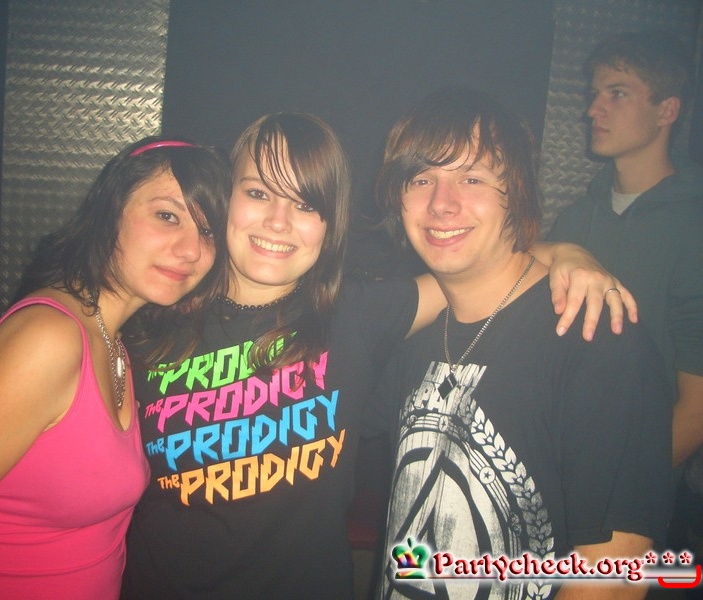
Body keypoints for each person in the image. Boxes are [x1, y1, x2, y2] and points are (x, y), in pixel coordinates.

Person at [121, 112, 637, 600]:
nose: (278, 221)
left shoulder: (359, 315)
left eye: (306, 204)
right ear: (224, 199)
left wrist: (566, 253)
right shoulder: (149, 322)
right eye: (258, 193)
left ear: (331, 224)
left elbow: (482, 265)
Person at [375, 88, 672, 600]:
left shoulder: (596, 335)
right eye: (420, 179)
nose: (441, 203)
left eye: (472, 178)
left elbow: (611, 581)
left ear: (517, 191)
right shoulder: (411, 334)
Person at [0, 138, 231, 600]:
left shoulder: (116, 343)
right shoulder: (47, 340)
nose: (192, 250)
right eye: (167, 216)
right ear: (110, 211)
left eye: (208, 231)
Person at [547, 30, 703, 469]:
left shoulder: (694, 225)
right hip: (557, 462)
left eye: (617, 93)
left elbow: (696, 410)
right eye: (595, 94)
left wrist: (624, 491)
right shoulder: (574, 222)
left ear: (667, 110)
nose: (592, 109)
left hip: (633, 483)